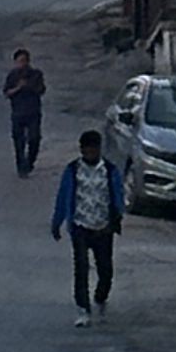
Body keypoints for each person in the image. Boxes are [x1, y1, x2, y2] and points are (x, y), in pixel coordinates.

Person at [49, 126, 125, 326]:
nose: (91, 153)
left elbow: (118, 195)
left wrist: (117, 218)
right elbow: (63, 197)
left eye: (94, 149)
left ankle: (100, 298)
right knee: (81, 269)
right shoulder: (73, 171)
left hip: (103, 227)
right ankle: (83, 309)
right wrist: (57, 222)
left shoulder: (109, 171)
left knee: (105, 270)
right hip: (80, 226)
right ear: (81, 150)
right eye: (87, 149)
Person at [2, 47, 49, 176]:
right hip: (17, 113)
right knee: (19, 141)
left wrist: (29, 86)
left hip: (33, 112)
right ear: (16, 62)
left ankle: (30, 162)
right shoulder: (12, 76)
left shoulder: (36, 74)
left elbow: (41, 90)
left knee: (34, 139)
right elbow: (7, 93)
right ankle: (21, 167)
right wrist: (18, 88)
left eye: (24, 61)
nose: (22, 64)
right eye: (20, 61)